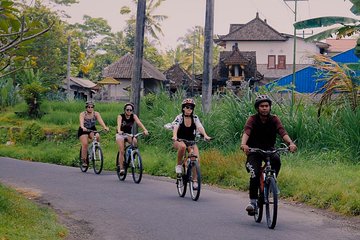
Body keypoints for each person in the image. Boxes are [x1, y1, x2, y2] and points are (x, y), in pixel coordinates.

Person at [240, 95, 297, 215]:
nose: (264, 108)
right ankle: (253, 202)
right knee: (254, 173)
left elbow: (282, 131)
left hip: (270, 150)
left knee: (277, 160)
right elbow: (247, 131)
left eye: (267, 106)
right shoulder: (252, 119)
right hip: (254, 151)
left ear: (270, 107)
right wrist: (244, 144)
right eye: (262, 106)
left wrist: (290, 143)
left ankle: (270, 183)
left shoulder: (274, 119)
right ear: (257, 108)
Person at [171, 98, 211, 188]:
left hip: (191, 142)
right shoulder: (180, 117)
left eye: (191, 107)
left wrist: (205, 135)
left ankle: (195, 181)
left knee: (196, 159)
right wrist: (174, 136)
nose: (189, 109)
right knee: (182, 147)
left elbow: (200, 127)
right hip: (179, 140)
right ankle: (178, 165)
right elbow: (176, 126)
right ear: (183, 108)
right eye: (187, 107)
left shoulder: (195, 118)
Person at [116, 102, 149, 175]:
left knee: (135, 141)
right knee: (121, 150)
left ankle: (132, 158)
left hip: (128, 134)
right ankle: (121, 168)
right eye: (127, 110)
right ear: (125, 110)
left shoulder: (133, 116)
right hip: (120, 134)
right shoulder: (120, 116)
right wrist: (119, 130)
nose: (129, 111)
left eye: (130, 110)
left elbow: (139, 123)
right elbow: (118, 124)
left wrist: (144, 130)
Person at [78, 100, 109, 167]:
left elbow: (101, 121)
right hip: (83, 130)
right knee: (85, 144)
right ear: (86, 107)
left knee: (97, 136)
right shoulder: (83, 114)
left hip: (92, 129)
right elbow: (81, 122)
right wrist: (83, 127)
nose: (90, 108)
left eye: (92, 107)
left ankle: (95, 149)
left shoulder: (96, 114)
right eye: (88, 107)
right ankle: (84, 160)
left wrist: (105, 127)